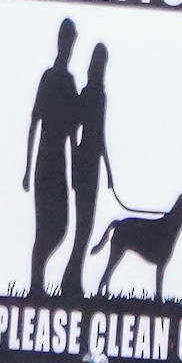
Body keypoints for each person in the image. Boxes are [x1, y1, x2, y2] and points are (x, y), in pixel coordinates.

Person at [23, 18, 79, 296]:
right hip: (45, 159)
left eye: (71, 41)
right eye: (65, 40)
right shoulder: (49, 77)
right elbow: (34, 121)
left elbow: (72, 131)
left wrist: (77, 166)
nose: (67, 46)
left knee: (60, 225)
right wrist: (26, 167)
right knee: (45, 224)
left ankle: (38, 283)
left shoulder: (69, 81)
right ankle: (36, 285)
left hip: (60, 161)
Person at [62, 43, 115, 298]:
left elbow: (100, 135)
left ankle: (73, 278)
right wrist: (75, 158)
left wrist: (109, 171)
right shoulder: (89, 94)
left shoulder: (100, 95)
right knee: (83, 225)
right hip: (85, 161)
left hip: (92, 162)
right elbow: (75, 129)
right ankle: (70, 280)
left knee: (87, 225)